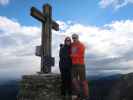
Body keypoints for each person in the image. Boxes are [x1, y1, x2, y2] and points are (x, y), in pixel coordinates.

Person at [71, 33, 89, 100]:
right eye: (73, 38)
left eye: (75, 37)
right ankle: (79, 94)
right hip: (73, 65)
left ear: (78, 38)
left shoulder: (81, 45)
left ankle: (86, 97)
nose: (74, 39)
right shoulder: (72, 45)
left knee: (83, 81)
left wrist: (71, 55)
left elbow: (81, 55)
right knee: (74, 80)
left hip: (80, 65)